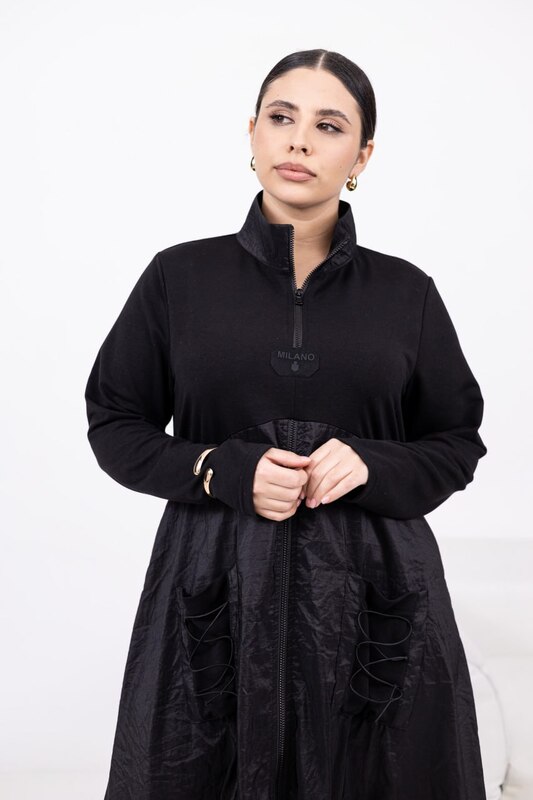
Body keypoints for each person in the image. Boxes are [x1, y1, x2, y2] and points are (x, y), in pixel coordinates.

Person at [85, 49, 488, 800]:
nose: (299, 140)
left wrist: (372, 464)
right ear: (253, 133)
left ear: (361, 156)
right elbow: (115, 422)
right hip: (213, 585)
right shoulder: (178, 277)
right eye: (281, 117)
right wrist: (216, 468)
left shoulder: (407, 293)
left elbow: (456, 442)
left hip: (374, 597)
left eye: (328, 126)